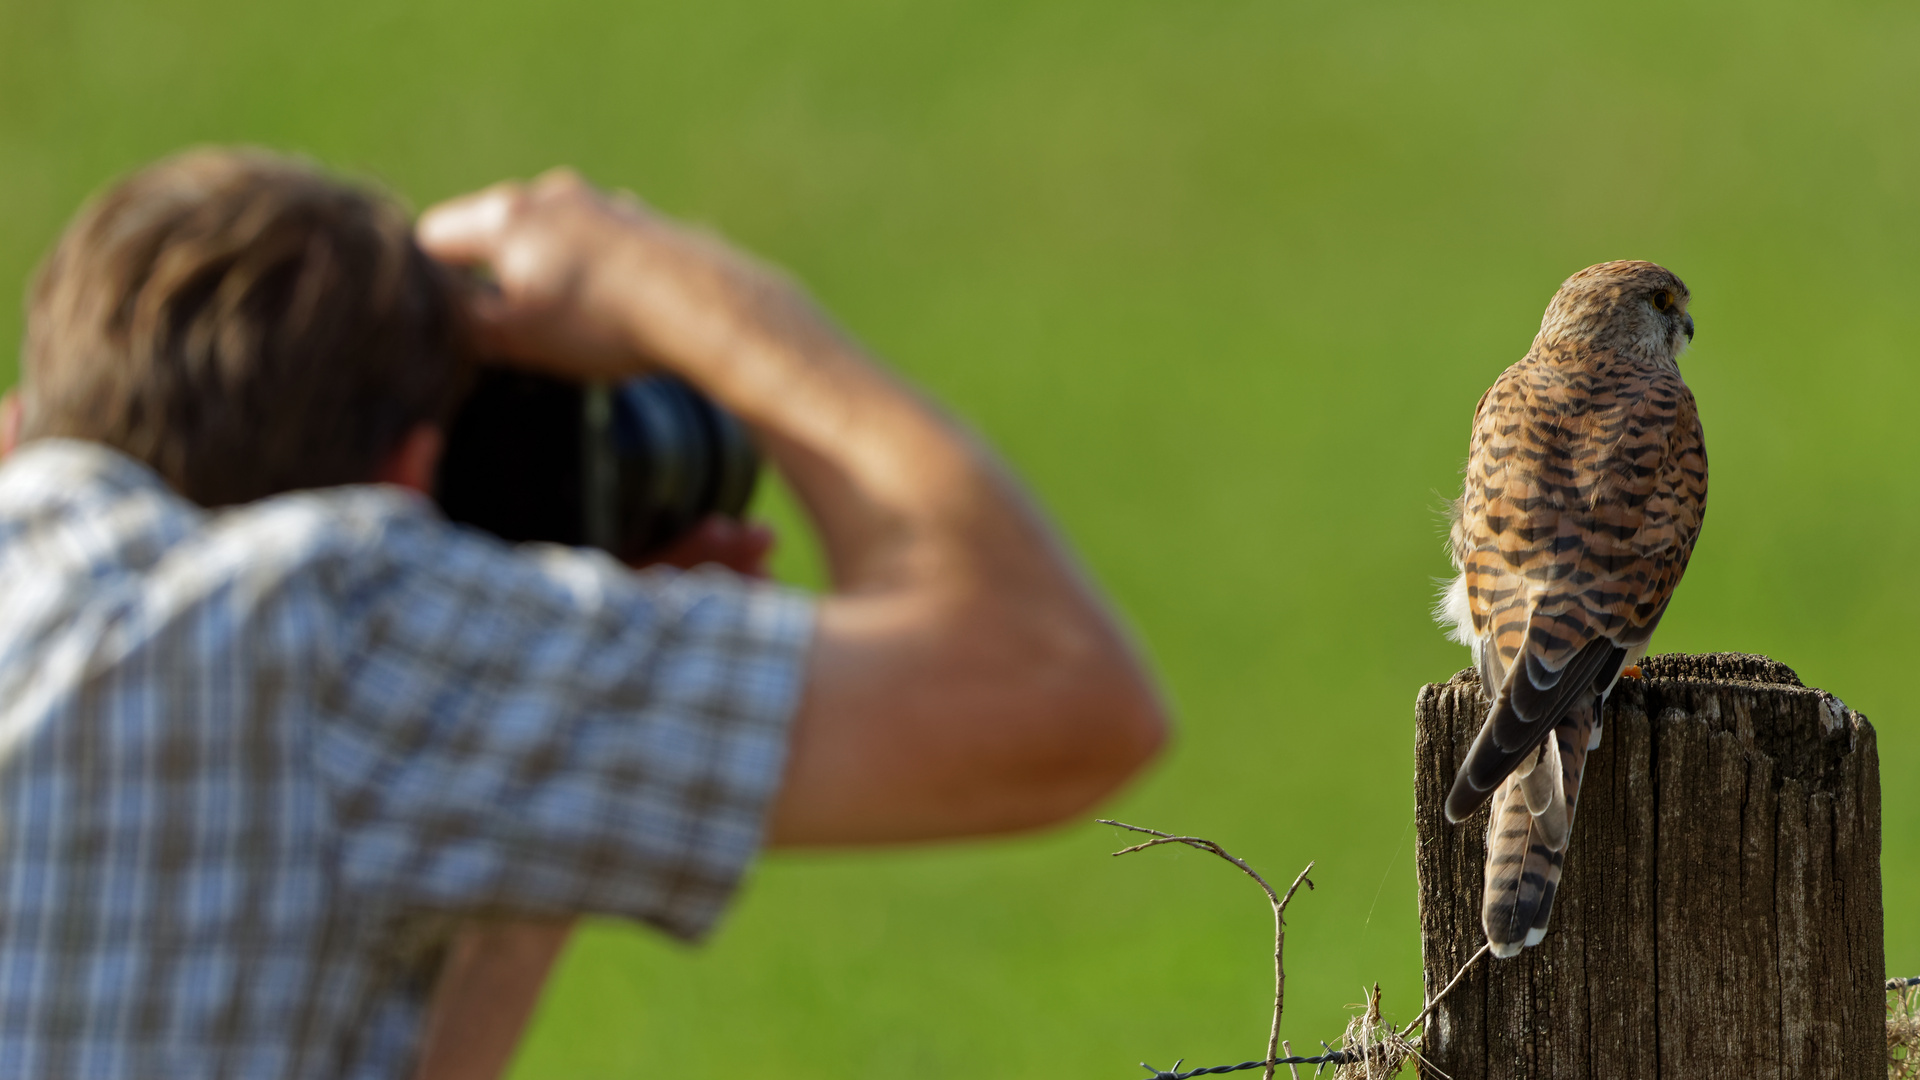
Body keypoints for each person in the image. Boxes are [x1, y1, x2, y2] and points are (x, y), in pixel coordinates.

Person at [0, 149, 1168, 1079]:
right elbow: (1050, 690)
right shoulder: (317, 621)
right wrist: (707, 304)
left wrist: (541, 757)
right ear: (408, 483)